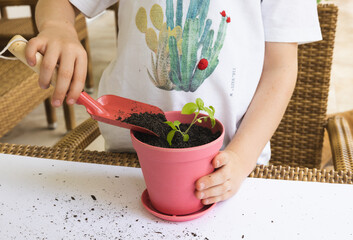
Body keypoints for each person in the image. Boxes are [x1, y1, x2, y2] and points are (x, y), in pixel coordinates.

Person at [26, 0, 322, 205]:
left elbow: (279, 69)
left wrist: (242, 158)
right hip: (128, 160)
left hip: (229, 165)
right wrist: (58, 26)